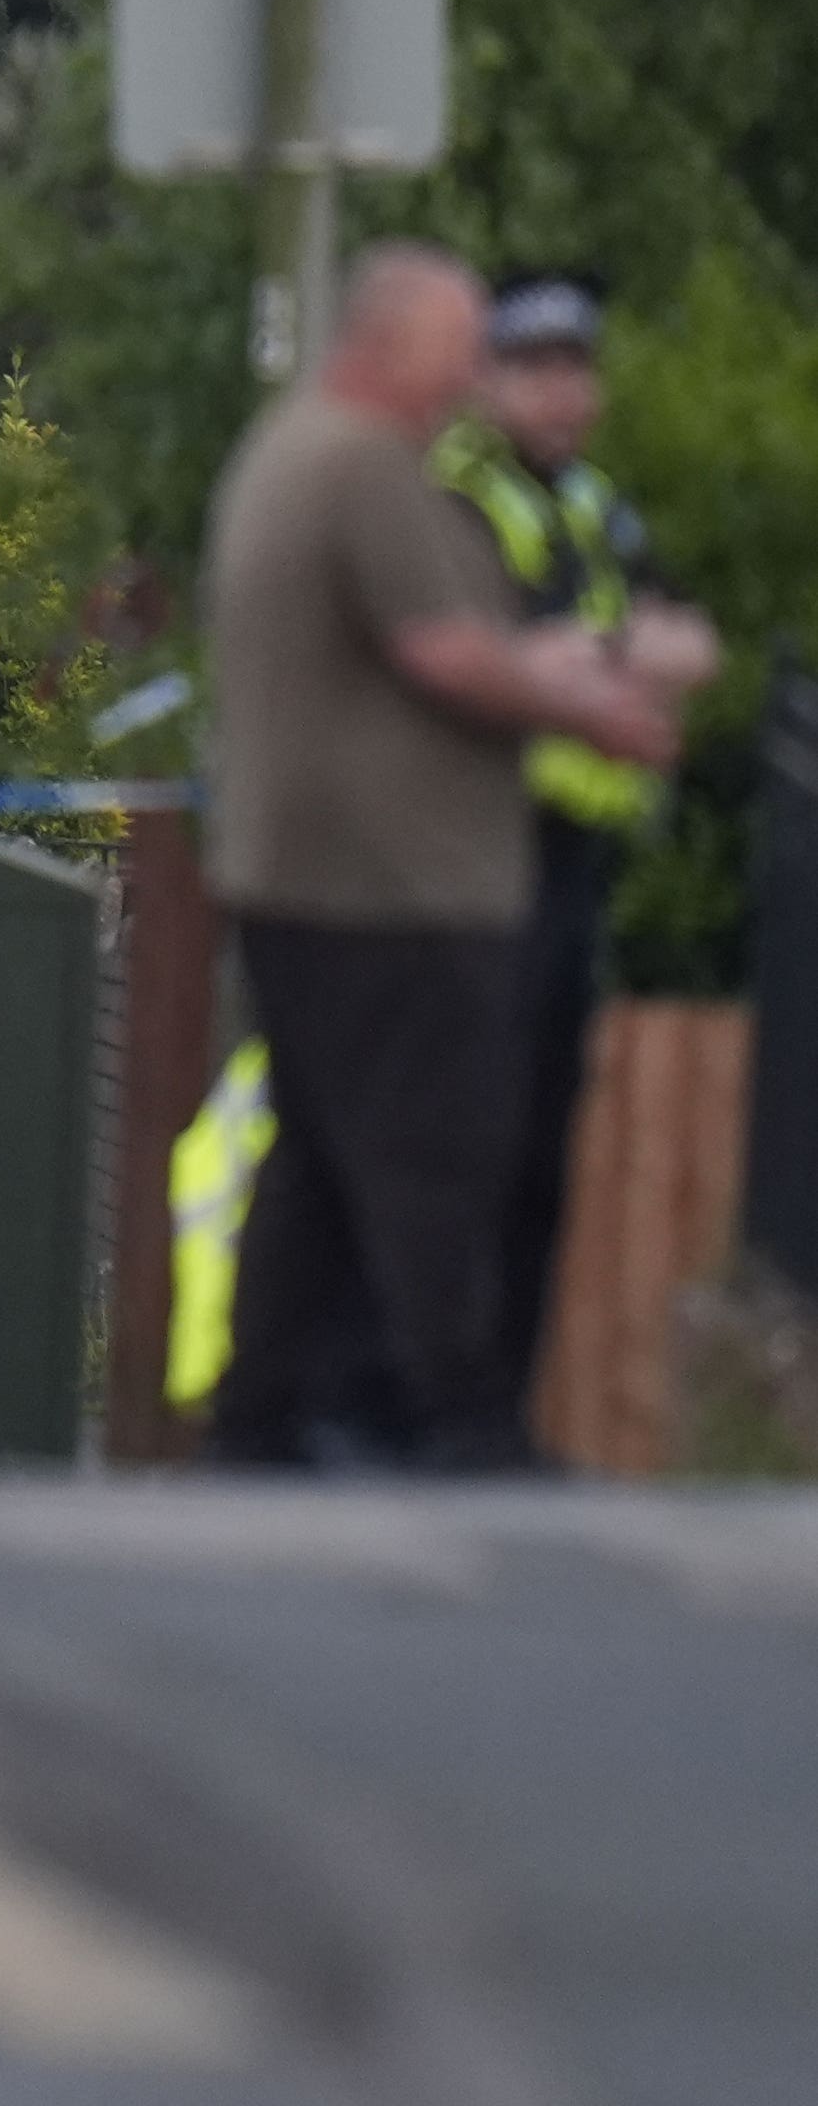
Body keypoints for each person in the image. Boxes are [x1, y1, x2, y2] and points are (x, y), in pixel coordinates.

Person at [202, 244, 684, 1471]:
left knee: (314, 1163)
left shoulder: (294, 447)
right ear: (397, 343)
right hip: (386, 892)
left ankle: (256, 1424)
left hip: (301, 876)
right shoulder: (364, 466)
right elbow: (447, 649)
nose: (473, 376)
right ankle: (459, 1425)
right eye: (462, 347)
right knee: (436, 1159)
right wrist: (593, 709)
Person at [431, 275, 715, 1405]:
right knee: (478, 1138)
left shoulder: (597, 507)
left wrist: (599, 652)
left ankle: (501, 1401)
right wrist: (616, 652)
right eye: (534, 370)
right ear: (489, 381)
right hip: (490, 845)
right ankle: (443, 1401)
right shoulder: (467, 495)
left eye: (574, 370)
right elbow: (511, 654)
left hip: (573, 857)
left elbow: (690, 643)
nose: (561, 395)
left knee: (544, 1142)